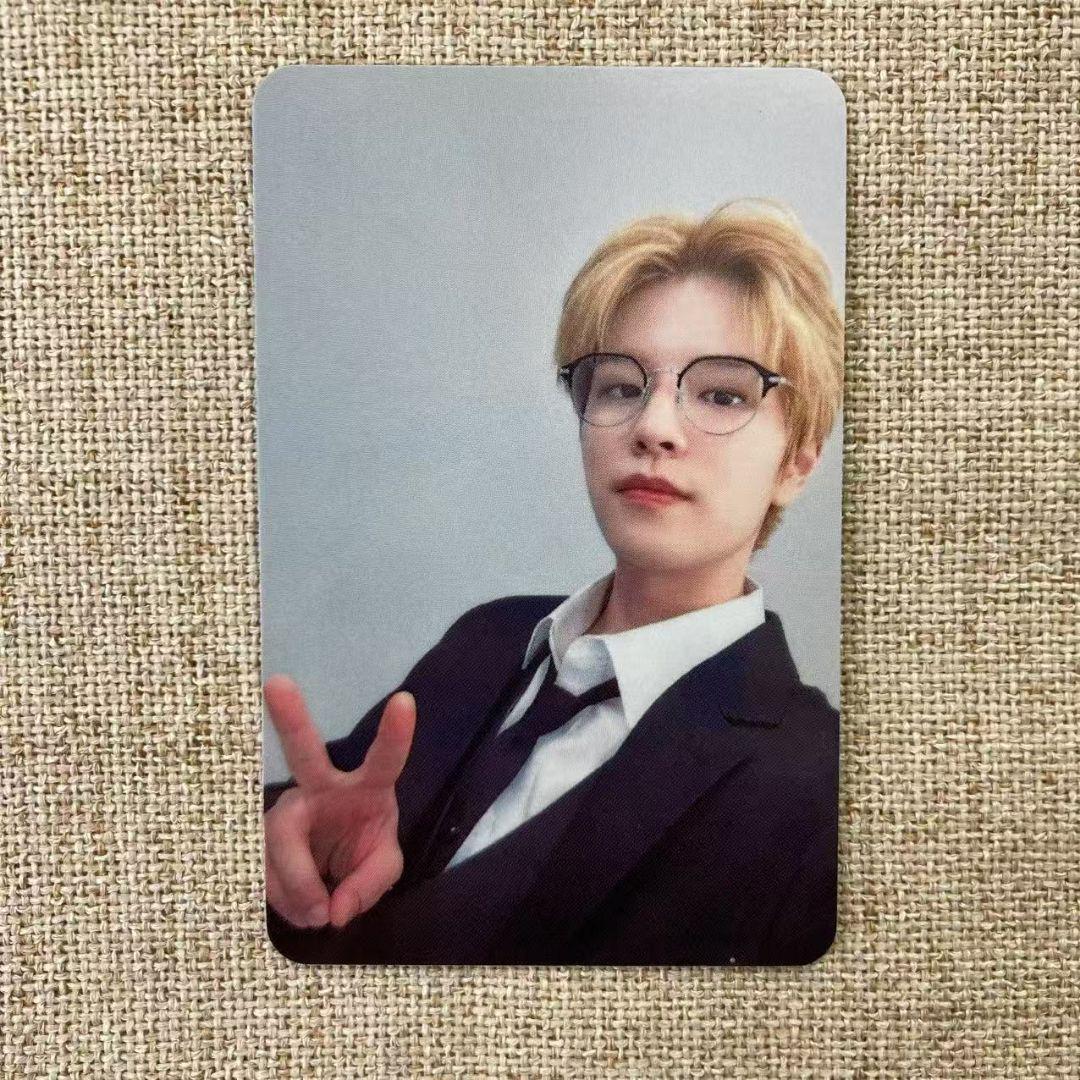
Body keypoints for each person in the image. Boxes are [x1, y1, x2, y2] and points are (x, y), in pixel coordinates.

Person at [262, 197, 844, 965]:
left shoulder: (821, 787)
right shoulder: (489, 638)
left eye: (722, 394)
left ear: (797, 463)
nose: (654, 427)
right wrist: (290, 847)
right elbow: (315, 828)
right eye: (621, 385)